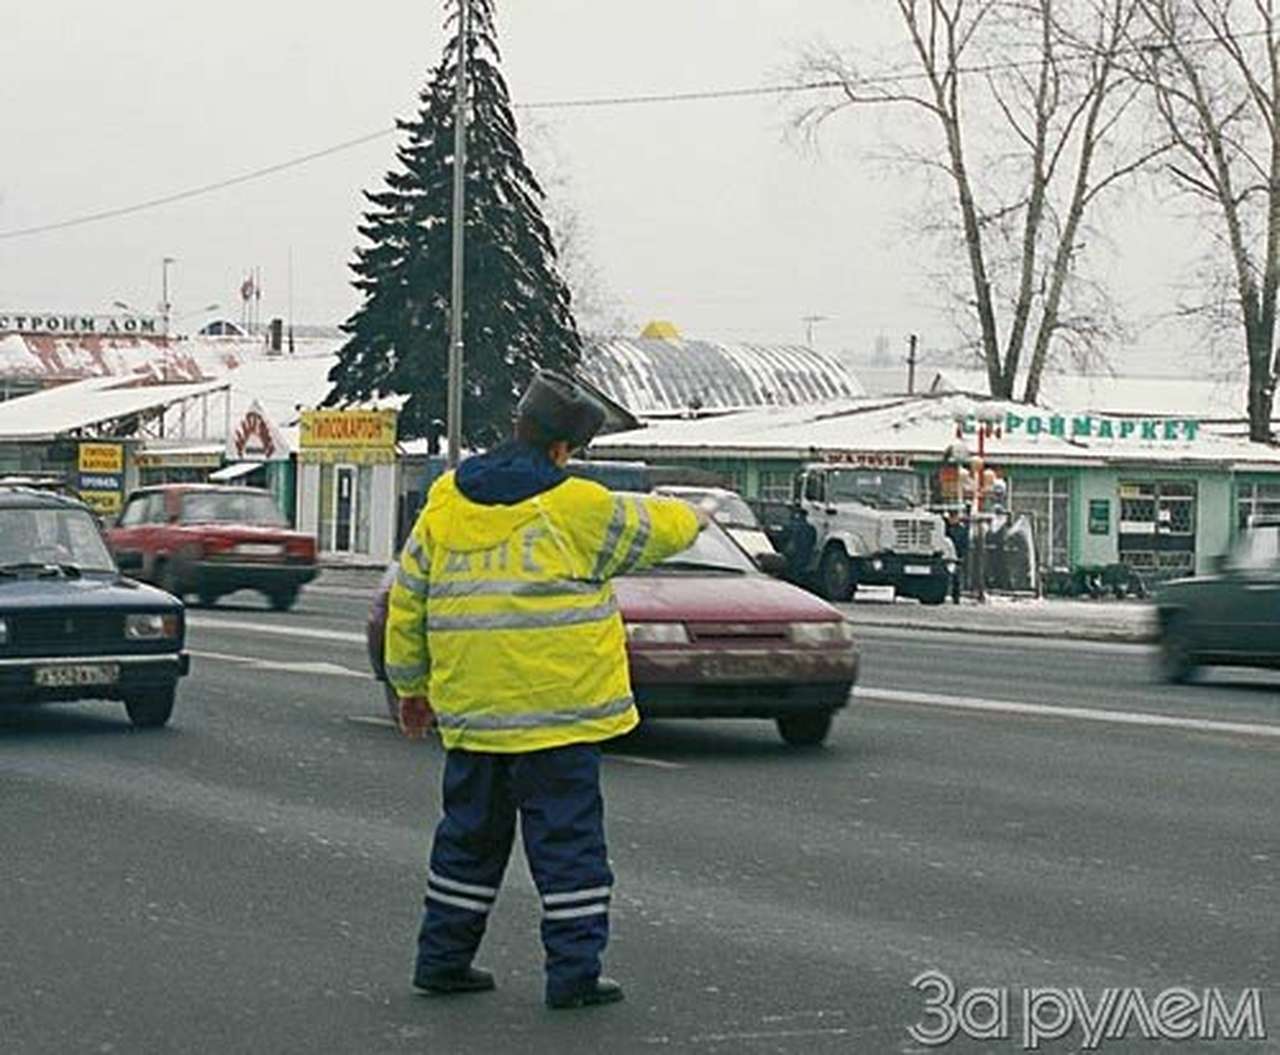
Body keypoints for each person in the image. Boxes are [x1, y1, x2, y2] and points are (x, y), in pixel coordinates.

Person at [385, 370, 707, 1010]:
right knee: (568, 851)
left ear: (518, 428)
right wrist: (695, 511)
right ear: (564, 449)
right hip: (558, 724)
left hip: (475, 719)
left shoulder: (447, 499)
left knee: (467, 843)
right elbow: (662, 527)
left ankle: (442, 960)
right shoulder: (576, 507)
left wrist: (410, 688)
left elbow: (407, 602)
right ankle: (573, 975)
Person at [945, 509, 970, 604]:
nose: (952, 519)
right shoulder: (946, 528)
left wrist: (962, 555)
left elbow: (964, 543)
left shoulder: (961, 530)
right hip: (947, 555)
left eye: (954, 517)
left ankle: (956, 596)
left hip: (957, 556)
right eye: (951, 517)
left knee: (956, 577)